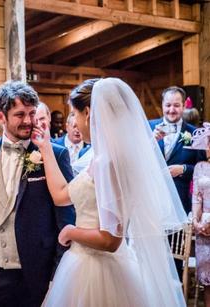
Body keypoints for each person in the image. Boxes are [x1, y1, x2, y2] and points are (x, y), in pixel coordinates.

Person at [32, 78, 187, 306]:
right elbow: (61, 194)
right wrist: (45, 147)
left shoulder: (108, 163)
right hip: (85, 262)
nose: (73, 121)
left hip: (97, 270)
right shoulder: (99, 155)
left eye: (74, 113)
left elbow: (110, 239)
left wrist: (70, 231)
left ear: (87, 113)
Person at [0, 81, 75, 307]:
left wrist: (56, 275)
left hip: (38, 275)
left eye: (32, 113)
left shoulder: (55, 155)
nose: (28, 120)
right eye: (19, 114)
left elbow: (66, 219)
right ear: (1, 116)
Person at [150, 86, 205, 214]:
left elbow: (202, 169)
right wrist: (151, 141)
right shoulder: (148, 127)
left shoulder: (195, 133)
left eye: (176, 105)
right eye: (168, 105)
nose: (171, 110)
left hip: (180, 201)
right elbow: (136, 161)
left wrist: (183, 169)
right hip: (151, 199)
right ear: (162, 105)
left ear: (184, 105)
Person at [190, 123, 210, 307]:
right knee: (208, 282)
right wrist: (196, 222)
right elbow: (197, 199)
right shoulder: (200, 168)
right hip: (204, 230)